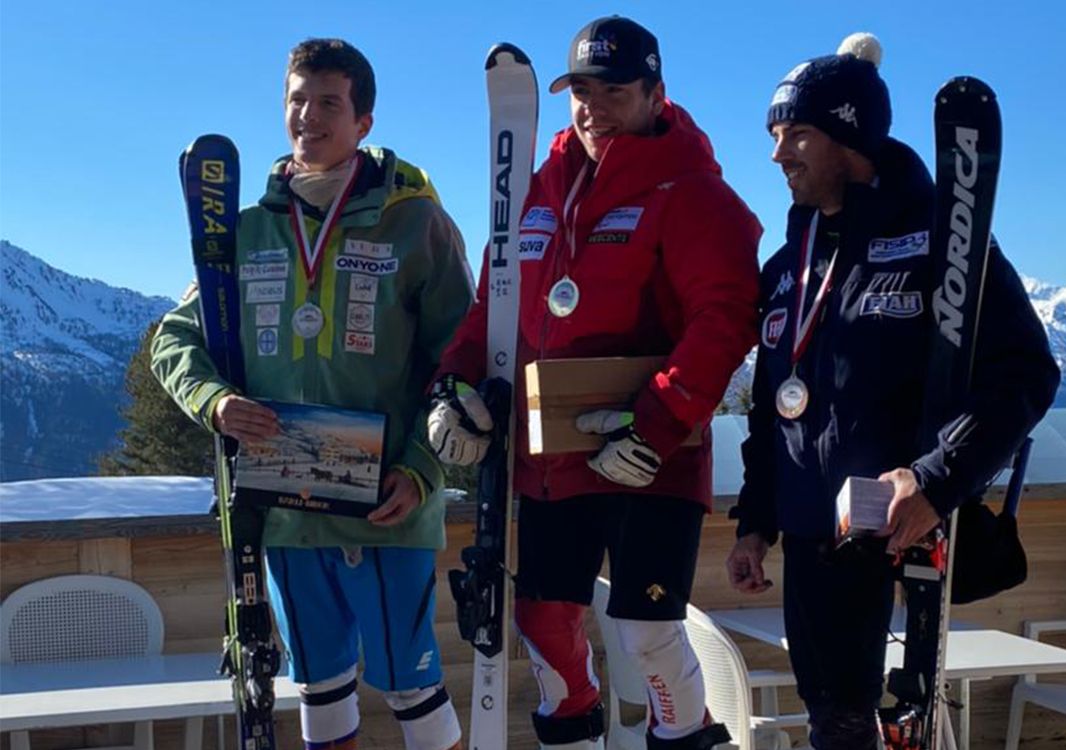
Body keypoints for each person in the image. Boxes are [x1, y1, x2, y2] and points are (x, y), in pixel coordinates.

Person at [427, 16, 760, 750]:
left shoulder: (693, 191)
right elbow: (493, 309)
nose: (592, 107)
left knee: (645, 632)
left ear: (655, 93)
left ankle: (684, 736)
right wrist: (453, 384)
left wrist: (661, 421)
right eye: (580, 90)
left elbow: (726, 317)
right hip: (551, 461)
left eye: (612, 90)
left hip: (650, 455)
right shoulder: (536, 191)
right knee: (543, 623)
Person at [724, 34, 1060, 750]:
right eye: (775, 136)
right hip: (816, 542)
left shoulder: (942, 239)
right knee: (835, 725)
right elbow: (769, 405)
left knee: (893, 719)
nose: (778, 155)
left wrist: (938, 479)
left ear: (850, 140)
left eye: (798, 136)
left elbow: (1028, 371)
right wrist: (756, 518)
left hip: (902, 534)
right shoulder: (788, 264)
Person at [151, 38, 472, 750]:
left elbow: (463, 361)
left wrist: (422, 469)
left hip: (385, 503)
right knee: (317, 687)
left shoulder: (415, 221)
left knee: (412, 688)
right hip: (285, 508)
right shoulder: (245, 229)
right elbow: (173, 340)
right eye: (297, 99)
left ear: (364, 120)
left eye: (329, 102)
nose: (308, 116)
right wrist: (214, 402)